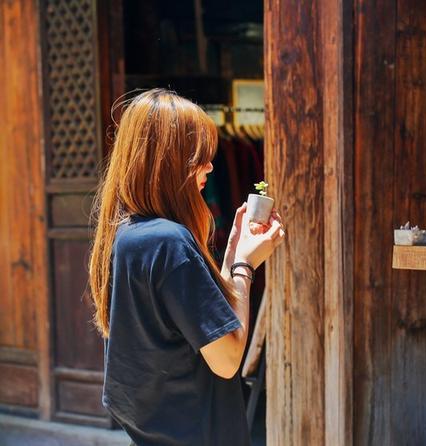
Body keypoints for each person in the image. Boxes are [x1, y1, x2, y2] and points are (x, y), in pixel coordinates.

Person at [88, 88, 284, 445]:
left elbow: (201, 328)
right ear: (166, 162)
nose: (210, 166)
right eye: (198, 157)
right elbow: (226, 359)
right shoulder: (169, 242)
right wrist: (245, 265)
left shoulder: (128, 236)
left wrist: (231, 256)